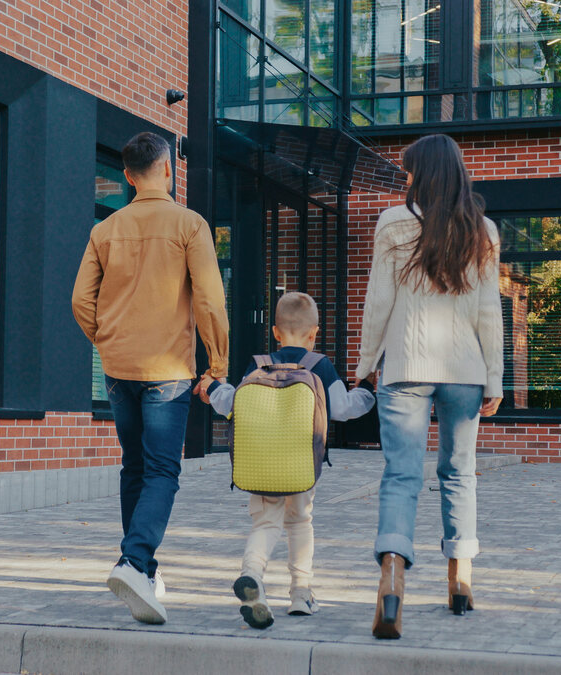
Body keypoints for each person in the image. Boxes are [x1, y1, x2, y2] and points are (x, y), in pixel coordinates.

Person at [71, 132, 229, 625]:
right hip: (168, 372)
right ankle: (134, 562)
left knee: (134, 468)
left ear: (126, 176)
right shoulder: (190, 224)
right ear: (167, 169)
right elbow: (208, 300)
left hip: (118, 369)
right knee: (162, 472)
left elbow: (80, 301)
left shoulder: (106, 229)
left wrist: (107, 341)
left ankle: (145, 572)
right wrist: (217, 365)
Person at [355, 133, 503, 640]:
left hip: (405, 369)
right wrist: (496, 377)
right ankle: (460, 578)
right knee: (459, 474)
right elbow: (490, 313)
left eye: (410, 170)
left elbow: (379, 301)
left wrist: (364, 362)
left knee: (401, 476)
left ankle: (393, 576)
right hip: (465, 372)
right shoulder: (482, 230)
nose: (407, 179)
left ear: (426, 172)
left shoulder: (394, 223)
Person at [198, 292, 375, 629]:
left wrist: (212, 389)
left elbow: (232, 402)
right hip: (302, 465)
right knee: (299, 523)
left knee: (266, 524)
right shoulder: (320, 366)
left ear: (276, 332)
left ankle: (252, 574)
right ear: (314, 333)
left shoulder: (258, 364)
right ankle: (300, 594)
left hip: (261, 462)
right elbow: (342, 409)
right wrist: (367, 392)